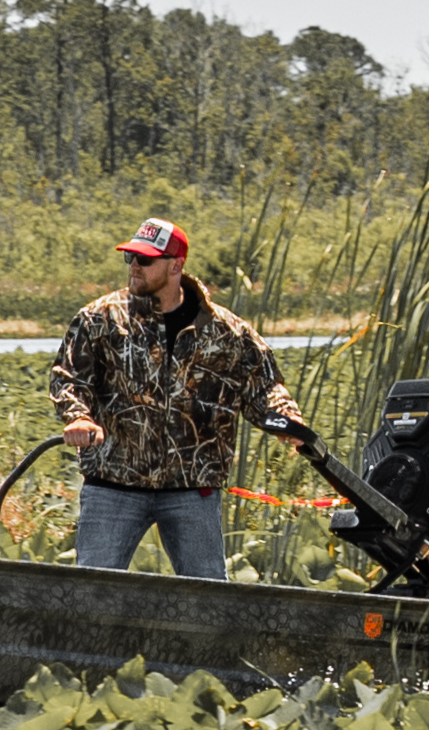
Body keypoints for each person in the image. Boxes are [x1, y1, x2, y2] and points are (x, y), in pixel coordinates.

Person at [49, 216, 304, 579]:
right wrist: (78, 417)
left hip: (192, 489)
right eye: (130, 258)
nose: (134, 266)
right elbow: (69, 377)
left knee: (207, 601)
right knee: (91, 595)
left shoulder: (226, 331)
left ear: (175, 266)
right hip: (113, 485)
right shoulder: (99, 319)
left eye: (145, 260)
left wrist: (288, 422)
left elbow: (264, 387)